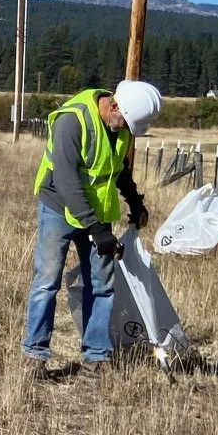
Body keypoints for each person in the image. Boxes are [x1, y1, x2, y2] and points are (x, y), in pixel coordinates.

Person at [23, 78, 161, 373]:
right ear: (113, 105)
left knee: (102, 286)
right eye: (124, 122)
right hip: (59, 207)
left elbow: (117, 168)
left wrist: (134, 202)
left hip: (97, 211)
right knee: (47, 282)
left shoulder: (118, 126)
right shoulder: (71, 121)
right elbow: (67, 182)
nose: (124, 129)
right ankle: (35, 354)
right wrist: (97, 231)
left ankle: (96, 357)